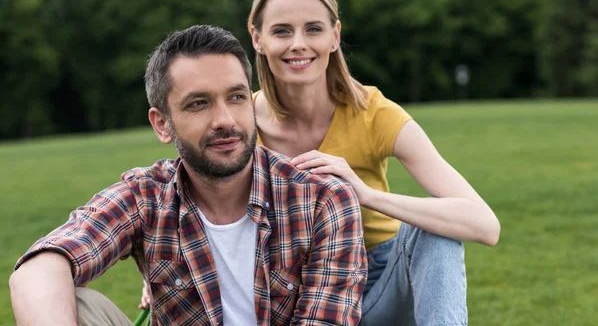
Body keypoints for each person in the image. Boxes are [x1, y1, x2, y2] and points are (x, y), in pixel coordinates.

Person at [9, 25, 367, 326]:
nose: (225, 119)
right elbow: (39, 268)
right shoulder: (146, 195)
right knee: (77, 304)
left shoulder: (322, 199)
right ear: (162, 124)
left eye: (237, 97)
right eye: (199, 103)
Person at [247, 0, 502, 325]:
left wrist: (367, 195)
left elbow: (485, 226)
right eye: (282, 31)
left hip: (381, 283)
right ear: (257, 38)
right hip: (294, 298)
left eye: (314, 29)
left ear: (335, 36)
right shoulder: (239, 126)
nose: (298, 44)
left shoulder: (373, 113)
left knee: (435, 229)